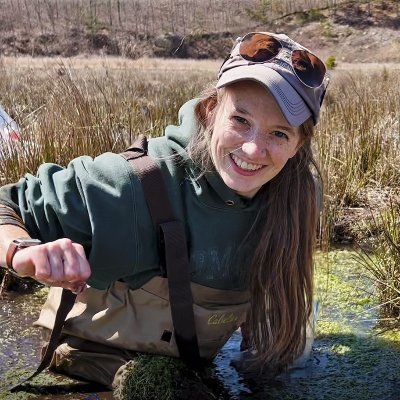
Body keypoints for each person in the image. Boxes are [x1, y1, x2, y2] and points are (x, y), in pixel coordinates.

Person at [0, 32, 329, 390]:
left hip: (193, 370)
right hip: (83, 373)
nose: (253, 150)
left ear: (299, 144)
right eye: (241, 120)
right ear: (211, 111)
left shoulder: (297, 196)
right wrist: (23, 253)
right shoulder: (130, 185)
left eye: (279, 134)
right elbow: (7, 203)